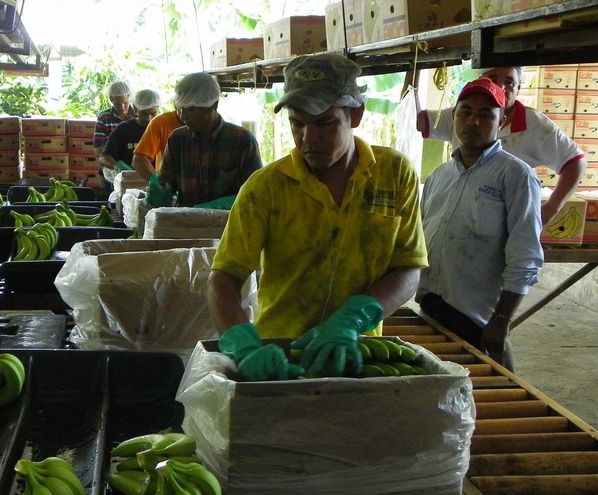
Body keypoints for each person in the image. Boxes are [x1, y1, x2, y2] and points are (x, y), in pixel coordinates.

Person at [208, 53, 428, 381]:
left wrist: (353, 319)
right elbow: (223, 278)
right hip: (279, 356)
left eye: (325, 123)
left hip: (355, 350)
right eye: (297, 124)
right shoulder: (265, 188)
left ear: (355, 115)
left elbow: (408, 268)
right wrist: (242, 345)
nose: (309, 139)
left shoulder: (394, 174)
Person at [416, 78, 544, 371]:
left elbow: (525, 257)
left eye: (485, 114)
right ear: (454, 116)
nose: (473, 121)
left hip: (478, 320)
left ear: (501, 122)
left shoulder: (516, 175)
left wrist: (501, 321)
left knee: (492, 391)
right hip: (431, 309)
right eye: (466, 112)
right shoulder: (439, 176)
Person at [416, 66, 586, 225]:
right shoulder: (462, 115)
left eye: (509, 82)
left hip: (509, 222)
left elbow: (575, 161)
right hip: (463, 217)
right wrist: (414, 72)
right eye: (493, 78)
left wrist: (550, 209)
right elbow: (419, 121)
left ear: (518, 89)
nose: (500, 87)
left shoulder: (534, 125)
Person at [146, 72, 263, 209]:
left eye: (190, 110)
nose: (183, 116)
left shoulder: (242, 141)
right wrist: (161, 191)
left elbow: (255, 192)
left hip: (228, 221)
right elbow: (167, 182)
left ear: (214, 105)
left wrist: (220, 206)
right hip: (185, 219)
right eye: (180, 109)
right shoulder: (177, 139)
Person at [98, 89, 161, 180]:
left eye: (153, 114)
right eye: (144, 114)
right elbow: (103, 158)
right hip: (128, 180)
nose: (148, 119)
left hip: (156, 180)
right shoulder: (124, 129)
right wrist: (117, 165)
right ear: (136, 109)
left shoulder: (162, 129)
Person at [131, 109, 183, 179]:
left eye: (191, 110)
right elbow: (139, 160)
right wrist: (156, 181)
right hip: (168, 181)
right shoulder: (161, 122)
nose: (184, 115)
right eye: (144, 114)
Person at [93, 80, 135, 158]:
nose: (122, 107)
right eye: (118, 104)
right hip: (112, 161)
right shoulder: (104, 117)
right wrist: (111, 163)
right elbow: (98, 147)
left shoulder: (139, 115)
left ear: (129, 97)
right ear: (111, 100)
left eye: (125, 103)